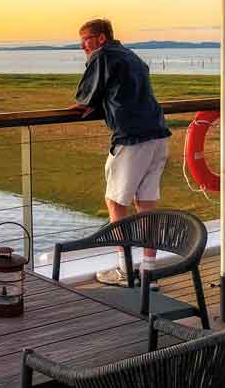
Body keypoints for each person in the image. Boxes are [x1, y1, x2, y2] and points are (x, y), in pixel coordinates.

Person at [70, 18, 172, 286]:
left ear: (101, 38)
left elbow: (85, 96)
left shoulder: (102, 55)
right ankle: (149, 271)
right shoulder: (131, 56)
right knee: (147, 206)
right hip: (158, 134)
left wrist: (88, 105)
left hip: (132, 138)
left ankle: (125, 271)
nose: (83, 46)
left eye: (86, 39)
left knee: (116, 203)